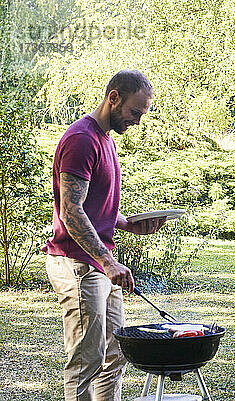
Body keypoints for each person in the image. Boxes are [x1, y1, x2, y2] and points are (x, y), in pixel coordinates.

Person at [43, 70, 166, 401]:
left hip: (97, 263)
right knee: (87, 361)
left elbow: (92, 207)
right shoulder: (81, 139)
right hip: (78, 263)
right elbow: (71, 211)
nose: (137, 121)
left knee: (116, 355)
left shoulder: (105, 139)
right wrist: (108, 261)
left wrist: (126, 224)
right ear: (114, 98)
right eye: (134, 112)